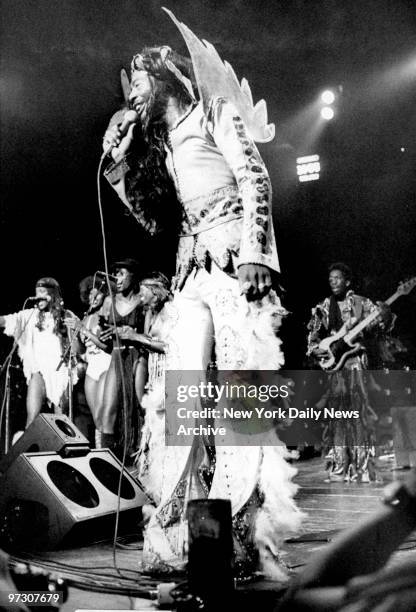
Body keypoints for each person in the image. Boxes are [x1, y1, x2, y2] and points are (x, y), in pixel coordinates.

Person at [102, 13, 302, 579]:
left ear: (161, 78)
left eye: (137, 82)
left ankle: (242, 538)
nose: (132, 94)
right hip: (190, 275)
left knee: (241, 393)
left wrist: (257, 252)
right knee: (178, 398)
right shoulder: (162, 145)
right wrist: (117, 165)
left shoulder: (215, 113)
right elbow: (153, 222)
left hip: (236, 268)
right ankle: (173, 536)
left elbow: (255, 178)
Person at [307, 263, 393, 483]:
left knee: (359, 415)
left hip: (355, 363)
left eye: (337, 278)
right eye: (330, 278)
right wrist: (319, 351)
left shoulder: (362, 303)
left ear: (348, 281)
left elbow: (379, 328)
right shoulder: (325, 306)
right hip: (335, 368)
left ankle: (363, 468)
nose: (332, 281)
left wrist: (385, 315)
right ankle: (339, 468)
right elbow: (313, 337)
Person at [0, 277, 79, 437]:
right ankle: (26, 457)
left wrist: (75, 331)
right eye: (37, 293)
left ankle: (63, 456)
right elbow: (6, 320)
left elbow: (77, 348)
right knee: (32, 418)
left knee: (61, 420)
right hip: (38, 370)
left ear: (53, 295)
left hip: (60, 372)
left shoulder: (66, 315)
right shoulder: (30, 315)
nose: (39, 297)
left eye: (43, 293)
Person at [98, 258, 146, 458]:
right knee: (108, 410)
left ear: (133, 276)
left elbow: (151, 333)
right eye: (115, 273)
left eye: (121, 273)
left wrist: (132, 333)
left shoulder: (143, 299)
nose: (116, 278)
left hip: (137, 356)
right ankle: (105, 461)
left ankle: (138, 456)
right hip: (116, 356)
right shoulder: (109, 301)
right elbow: (104, 342)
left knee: (139, 409)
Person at [66, 280, 112, 448]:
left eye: (97, 294)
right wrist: (74, 331)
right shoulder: (86, 318)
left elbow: (106, 345)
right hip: (92, 366)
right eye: (90, 294)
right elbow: (79, 351)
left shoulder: (107, 314)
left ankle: (106, 451)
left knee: (104, 414)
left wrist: (83, 330)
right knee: (96, 417)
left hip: (107, 363)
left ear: (105, 294)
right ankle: (99, 452)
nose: (93, 297)